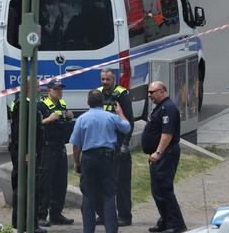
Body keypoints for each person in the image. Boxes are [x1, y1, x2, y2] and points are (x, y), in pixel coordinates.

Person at [70, 89, 131, 233]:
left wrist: (76, 162)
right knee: (109, 196)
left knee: (89, 196)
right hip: (107, 158)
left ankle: (88, 230)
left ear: (88, 102)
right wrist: (121, 113)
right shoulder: (110, 117)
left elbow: (76, 145)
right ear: (102, 102)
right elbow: (127, 128)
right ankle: (111, 230)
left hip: (89, 159)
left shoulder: (82, 119)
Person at [141, 81, 186, 233]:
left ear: (162, 91)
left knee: (164, 189)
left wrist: (158, 152)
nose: (149, 95)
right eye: (149, 92)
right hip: (160, 155)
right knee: (157, 190)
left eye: (152, 92)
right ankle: (166, 221)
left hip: (166, 154)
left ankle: (176, 224)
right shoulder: (161, 107)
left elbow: (167, 134)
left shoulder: (169, 108)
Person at [96, 69, 134, 227]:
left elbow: (129, 121)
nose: (105, 82)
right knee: (102, 182)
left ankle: (125, 216)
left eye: (108, 80)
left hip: (119, 145)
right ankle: (104, 215)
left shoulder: (122, 94)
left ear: (114, 80)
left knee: (122, 183)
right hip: (104, 146)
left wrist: (125, 144)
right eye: (103, 79)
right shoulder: (97, 94)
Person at [9, 78, 47, 233]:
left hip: (31, 152)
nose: (39, 90)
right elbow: (20, 132)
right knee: (24, 187)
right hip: (24, 153)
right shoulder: (21, 105)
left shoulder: (29, 103)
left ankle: (29, 223)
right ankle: (23, 223)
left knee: (30, 186)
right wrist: (26, 153)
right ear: (28, 88)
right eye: (36, 87)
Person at [37, 78, 75, 226]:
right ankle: (41, 215)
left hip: (60, 147)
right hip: (47, 148)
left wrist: (69, 116)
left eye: (61, 89)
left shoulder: (62, 104)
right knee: (45, 183)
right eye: (56, 89)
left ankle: (56, 214)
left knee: (60, 183)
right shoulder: (41, 105)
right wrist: (49, 118)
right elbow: (35, 125)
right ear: (49, 90)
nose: (59, 91)